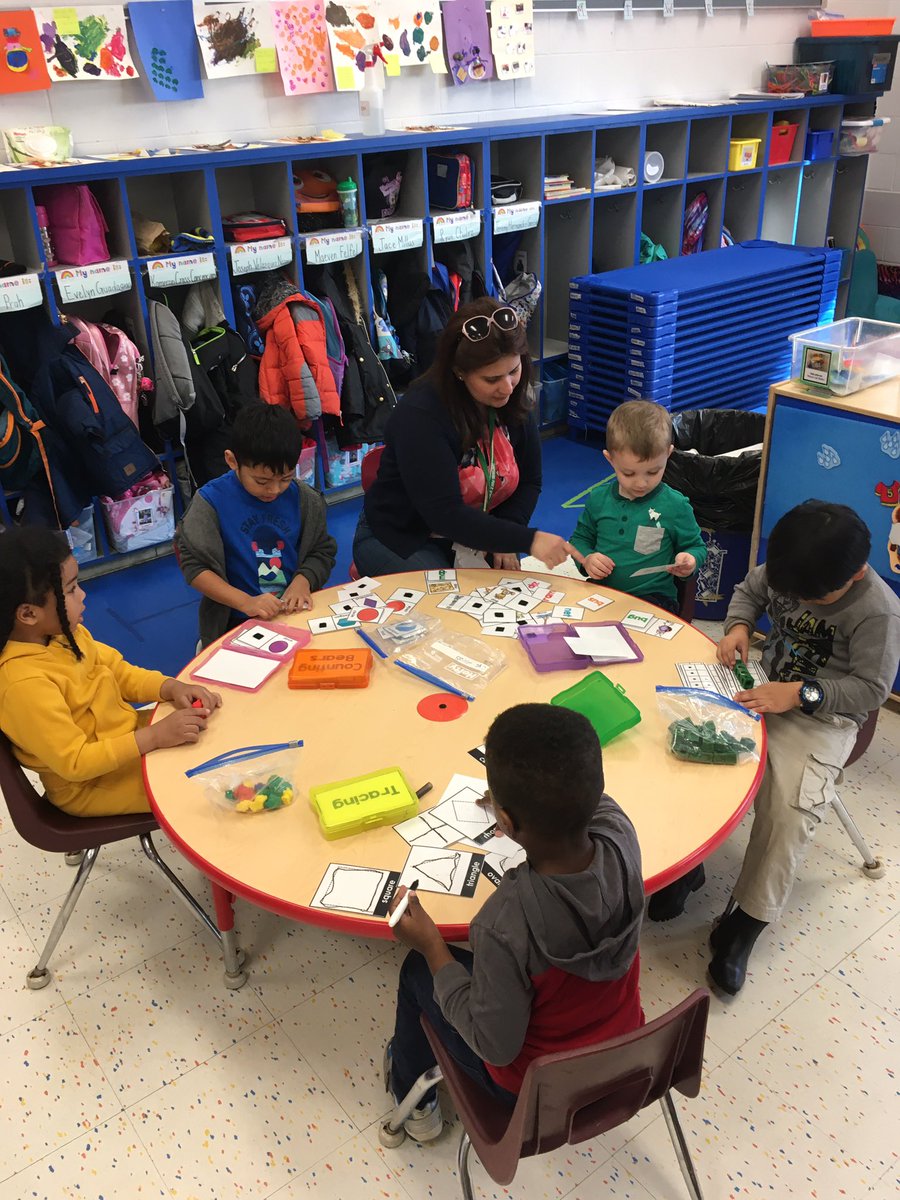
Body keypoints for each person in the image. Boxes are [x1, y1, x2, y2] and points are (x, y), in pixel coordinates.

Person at [384, 703, 645, 1143]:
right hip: (625, 1053)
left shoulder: (503, 924)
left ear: (503, 822)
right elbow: (587, 798)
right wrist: (520, 801)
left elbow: (495, 1046)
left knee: (416, 971)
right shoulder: (622, 836)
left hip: (536, 1092)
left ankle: (413, 1099)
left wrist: (432, 947)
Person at [685, 502, 898, 994]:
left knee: (788, 808)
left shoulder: (879, 611)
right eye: (791, 592)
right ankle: (688, 868)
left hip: (822, 713)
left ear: (857, 573)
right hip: (762, 684)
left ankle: (747, 923)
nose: (798, 600)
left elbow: (871, 689)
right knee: (691, 744)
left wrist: (802, 694)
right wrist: (738, 625)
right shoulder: (791, 568)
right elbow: (749, 590)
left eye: (813, 597)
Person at [0, 527, 220, 818]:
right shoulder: (23, 684)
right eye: (70, 589)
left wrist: (169, 688)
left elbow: (119, 673)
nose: (83, 594)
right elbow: (76, 762)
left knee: (215, 737)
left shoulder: (65, 634)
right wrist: (154, 738)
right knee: (205, 792)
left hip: (125, 740)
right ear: (28, 614)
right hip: (91, 785)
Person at [353, 298, 577, 576]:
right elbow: (444, 514)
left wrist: (507, 534)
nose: (507, 387)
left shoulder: (514, 400)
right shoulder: (421, 415)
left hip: (474, 534)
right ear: (459, 372)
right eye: (491, 379)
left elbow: (530, 481)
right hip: (403, 537)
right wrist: (526, 539)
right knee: (446, 607)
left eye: (514, 371)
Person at [176, 403, 337, 647]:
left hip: (296, 614)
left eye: (285, 478)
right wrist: (245, 602)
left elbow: (321, 551)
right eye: (261, 481)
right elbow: (195, 569)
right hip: (235, 621)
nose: (273, 490)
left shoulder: (306, 499)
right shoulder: (210, 502)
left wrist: (303, 581)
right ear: (232, 461)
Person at [569, 400, 706, 615]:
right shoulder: (598, 499)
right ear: (610, 459)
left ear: (668, 454)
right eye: (629, 473)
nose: (641, 483)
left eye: (653, 472)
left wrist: (689, 560)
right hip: (604, 592)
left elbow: (696, 547)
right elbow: (579, 541)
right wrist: (587, 559)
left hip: (654, 599)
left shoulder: (676, 505)